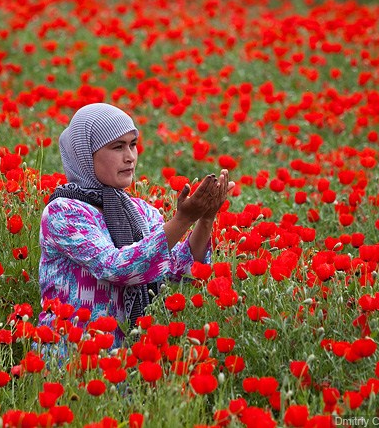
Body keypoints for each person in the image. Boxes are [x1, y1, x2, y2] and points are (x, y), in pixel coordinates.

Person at [38, 102, 233, 349]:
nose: (129, 156)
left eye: (132, 144)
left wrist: (205, 218)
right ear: (86, 154)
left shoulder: (141, 212)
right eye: (117, 147)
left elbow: (177, 271)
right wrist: (182, 219)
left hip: (127, 363)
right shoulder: (64, 212)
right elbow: (116, 267)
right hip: (69, 361)